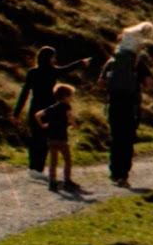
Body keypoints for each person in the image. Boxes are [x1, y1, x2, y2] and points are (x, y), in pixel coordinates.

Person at [14, 46, 96, 174]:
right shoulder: (53, 71)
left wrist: (16, 112)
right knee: (45, 139)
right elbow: (67, 68)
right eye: (53, 56)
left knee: (35, 137)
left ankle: (32, 167)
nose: (55, 59)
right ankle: (38, 168)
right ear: (50, 58)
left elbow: (24, 93)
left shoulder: (32, 72)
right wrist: (81, 62)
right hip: (50, 109)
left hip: (35, 107)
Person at [99, 21, 153, 188]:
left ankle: (114, 172)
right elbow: (148, 83)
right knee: (127, 139)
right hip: (131, 105)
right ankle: (123, 175)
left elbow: (101, 83)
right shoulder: (138, 62)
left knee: (116, 138)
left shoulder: (112, 61)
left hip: (114, 103)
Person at [34, 83, 77, 192]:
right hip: (62, 138)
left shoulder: (52, 107)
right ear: (66, 96)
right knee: (67, 160)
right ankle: (67, 181)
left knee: (53, 161)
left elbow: (38, 115)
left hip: (51, 138)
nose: (72, 98)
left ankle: (52, 182)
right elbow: (70, 117)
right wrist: (73, 124)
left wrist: (43, 125)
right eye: (71, 96)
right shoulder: (67, 106)